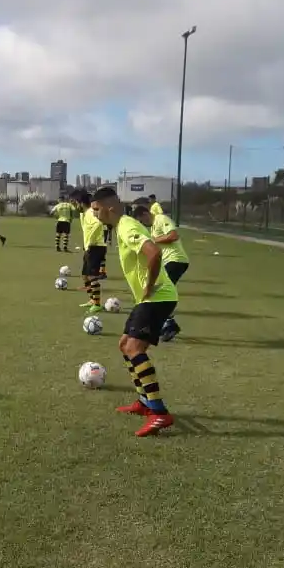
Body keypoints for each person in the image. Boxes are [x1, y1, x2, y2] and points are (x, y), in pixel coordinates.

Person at [91, 186, 179, 437]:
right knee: (124, 345)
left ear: (109, 208)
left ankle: (160, 413)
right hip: (148, 299)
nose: (94, 215)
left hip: (157, 298)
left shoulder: (127, 225)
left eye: (96, 210)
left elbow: (154, 253)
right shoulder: (121, 226)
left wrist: (149, 285)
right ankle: (144, 402)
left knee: (134, 349)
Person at [133, 204, 190, 341]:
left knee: (159, 292)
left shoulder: (160, 219)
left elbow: (173, 235)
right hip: (168, 262)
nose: (143, 224)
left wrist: (152, 240)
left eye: (142, 220)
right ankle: (165, 325)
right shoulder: (153, 226)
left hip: (176, 260)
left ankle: (167, 326)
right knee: (160, 292)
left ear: (145, 214)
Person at [76, 190, 106, 313]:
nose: (74, 205)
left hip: (95, 247)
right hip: (89, 247)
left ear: (81, 203)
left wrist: (92, 241)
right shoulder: (84, 213)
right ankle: (93, 300)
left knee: (92, 276)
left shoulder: (90, 213)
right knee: (85, 275)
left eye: (75, 202)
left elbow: (99, 223)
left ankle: (98, 304)